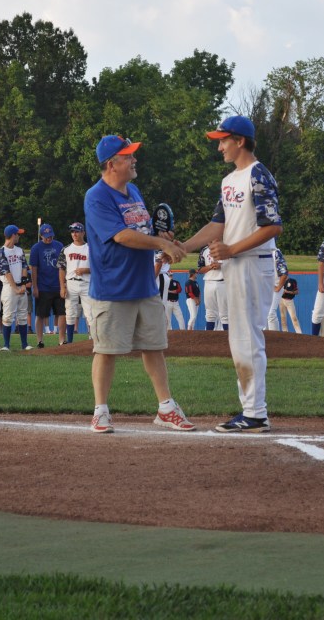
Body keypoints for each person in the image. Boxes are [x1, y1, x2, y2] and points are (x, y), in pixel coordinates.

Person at [85, 134, 194, 434]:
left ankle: (166, 408)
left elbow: (142, 231)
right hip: (113, 287)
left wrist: (163, 241)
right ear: (111, 164)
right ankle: (100, 411)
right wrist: (160, 242)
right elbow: (121, 235)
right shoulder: (96, 196)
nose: (134, 160)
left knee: (153, 347)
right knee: (106, 350)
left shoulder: (133, 190)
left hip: (144, 284)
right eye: (128, 156)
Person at [182, 115, 282, 433]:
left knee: (247, 337)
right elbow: (217, 225)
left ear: (240, 141)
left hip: (253, 263)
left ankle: (255, 413)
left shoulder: (258, 174)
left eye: (223, 140)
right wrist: (183, 246)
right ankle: (251, 410)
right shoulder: (229, 180)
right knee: (238, 338)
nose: (219, 147)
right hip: (237, 264)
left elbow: (273, 226)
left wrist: (232, 249)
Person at [0, 225, 33, 351]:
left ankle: (25, 344)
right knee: (8, 316)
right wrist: (16, 288)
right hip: (9, 287)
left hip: (20, 285)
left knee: (22, 315)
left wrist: (23, 284)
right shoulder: (1, 252)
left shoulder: (19, 250)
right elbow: (6, 272)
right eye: (18, 234)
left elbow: (24, 267)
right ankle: (6, 345)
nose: (19, 236)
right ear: (13, 235)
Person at [30, 223, 66, 346]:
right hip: (43, 286)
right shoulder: (36, 248)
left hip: (58, 285)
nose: (49, 238)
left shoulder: (59, 245)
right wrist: (35, 287)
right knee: (40, 314)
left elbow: (63, 266)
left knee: (62, 313)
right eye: (46, 236)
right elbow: (33, 268)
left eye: (50, 236)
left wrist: (64, 284)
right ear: (41, 236)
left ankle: (62, 340)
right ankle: (40, 340)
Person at [58, 222, 92, 344]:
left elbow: (99, 267)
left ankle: (92, 340)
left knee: (90, 313)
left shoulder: (90, 248)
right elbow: (61, 269)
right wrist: (62, 287)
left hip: (86, 283)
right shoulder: (66, 249)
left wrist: (86, 270)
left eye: (77, 231)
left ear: (83, 233)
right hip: (71, 283)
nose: (74, 234)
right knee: (70, 313)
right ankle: (70, 342)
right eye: (72, 231)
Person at [197, 244, 227, 330]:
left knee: (225, 314)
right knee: (210, 314)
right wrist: (210, 266)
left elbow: (235, 265)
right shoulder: (204, 250)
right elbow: (200, 269)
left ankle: (227, 337)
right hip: (209, 282)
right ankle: (209, 337)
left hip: (223, 282)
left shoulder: (227, 246)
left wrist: (221, 265)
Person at [266, 248, 289, 331]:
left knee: (271, 314)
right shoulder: (257, 251)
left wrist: (279, 287)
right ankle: (265, 335)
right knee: (263, 314)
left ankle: (275, 336)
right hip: (263, 286)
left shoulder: (275, 252)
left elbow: (284, 272)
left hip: (275, 286)